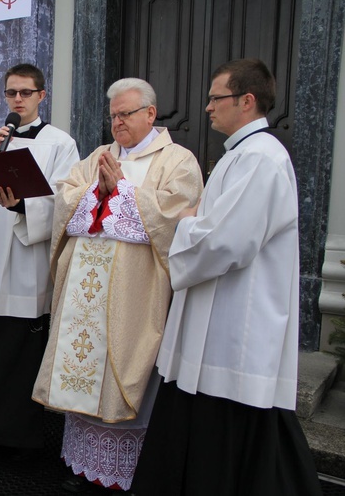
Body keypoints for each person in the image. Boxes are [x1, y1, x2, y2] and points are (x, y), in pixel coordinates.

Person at [131, 59, 322, 496]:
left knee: (237, 431)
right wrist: (196, 222)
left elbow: (230, 241)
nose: (207, 108)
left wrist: (183, 224)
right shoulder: (242, 154)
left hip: (238, 322)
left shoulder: (261, 158)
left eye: (216, 98)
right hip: (216, 313)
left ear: (247, 100)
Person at [31, 78, 203, 492]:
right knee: (84, 370)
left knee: (124, 371)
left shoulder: (177, 162)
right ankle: (82, 465)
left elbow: (176, 216)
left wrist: (120, 192)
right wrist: (96, 194)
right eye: (112, 116)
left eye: (125, 114)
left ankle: (124, 474)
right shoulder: (98, 156)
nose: (117, 123)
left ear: (150, 113)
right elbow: (65, 202)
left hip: (135, 293)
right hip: (83, 294)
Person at [0, 63, 80, 456]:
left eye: (26, 93)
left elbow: (67, 200)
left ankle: (14, 438)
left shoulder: (62, 143)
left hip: (28, 261)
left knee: (17, 355)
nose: (18, 100)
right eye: (11, 93)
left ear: (42, 96)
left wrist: (24, 205)